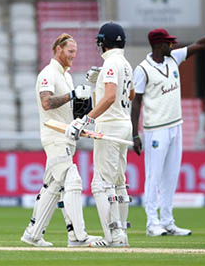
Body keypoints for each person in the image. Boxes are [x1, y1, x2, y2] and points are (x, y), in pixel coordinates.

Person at [131, 14, 205, 237]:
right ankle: (152, 223)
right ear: (159, 45)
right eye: (169, 42)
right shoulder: (142, 69)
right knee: (154, 176)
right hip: (156, 129)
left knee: (171, 176)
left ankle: (168, 221)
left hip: (176, 126)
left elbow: (202, 43)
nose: (173, 44)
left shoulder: (174, 58)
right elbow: (136, 102)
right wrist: (135, 134)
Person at [21, 33, 101, 247]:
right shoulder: (48, 74)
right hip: (54, 136)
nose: (73, 56)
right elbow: (46, 103)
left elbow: (69, 110)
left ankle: (33, 234)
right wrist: (73, 94)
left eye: (75, 52)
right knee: (72, 180)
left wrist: (82, 117)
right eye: (70, 51)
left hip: (66, 137)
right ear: (58, 49)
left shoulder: (66, 76)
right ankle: (78, 236)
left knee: (52, 187)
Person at [66, 22, 135, 247]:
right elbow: (131, 94)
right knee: (118, 181)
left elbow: (110, 97)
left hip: (110, 124)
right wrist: (100, 84)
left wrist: (86, 119)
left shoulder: (111, 65)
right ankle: (121, 234)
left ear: (103, 43)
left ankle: (112, 237)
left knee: (101, 183)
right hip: (125, 123)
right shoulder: (125, 64)